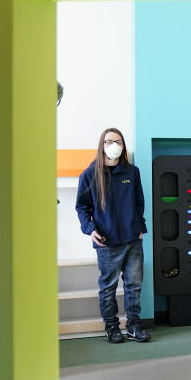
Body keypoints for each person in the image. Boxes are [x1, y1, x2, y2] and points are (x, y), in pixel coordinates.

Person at [75, 128, 151, 343]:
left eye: (118, 141)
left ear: (123, 146)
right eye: (109, 141)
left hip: (133, 240)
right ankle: (111, 328)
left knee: (133, 286)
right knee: (108, 288)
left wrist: (140, 228)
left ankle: (134, 326)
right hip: (107, 242)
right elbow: (82, 207)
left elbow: (139, 203)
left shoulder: (132, 173)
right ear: (102, 144)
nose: (114, 145)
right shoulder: (90, 174)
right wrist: (90, 230)